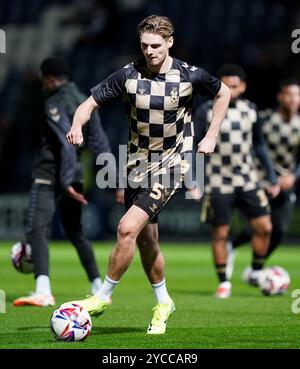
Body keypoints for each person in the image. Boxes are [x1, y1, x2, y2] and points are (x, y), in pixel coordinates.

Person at [64, 15, 231, 334]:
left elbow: (223, 93)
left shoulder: (189, 74)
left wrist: (210, 135)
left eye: (156, 45)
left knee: (126, 229)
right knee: (146, 241)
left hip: (174, 164)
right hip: (136, 166)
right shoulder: (127, 75)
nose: (150, 51)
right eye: (144, 46)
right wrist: (76, 126)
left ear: (170, 42)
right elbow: (88, 104)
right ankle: (164, 302)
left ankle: (102, 298)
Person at [13, 57, 114, 307]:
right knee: (76, 231)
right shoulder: (85, 101)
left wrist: (66, 180)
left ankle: (43, 289)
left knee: (37, 228)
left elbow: (64, 142)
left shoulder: (53, 102)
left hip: (50, 174)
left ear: (47, 79)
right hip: (76, 174)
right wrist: (117, 182)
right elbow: (100, 142)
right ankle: (98, 288)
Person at [197, 64, 279, 299]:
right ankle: (224, 282)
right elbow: (193, 146)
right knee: (220, 234)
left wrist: (271, 177)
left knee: (265, 227)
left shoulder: (251, 110)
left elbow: (260, 146)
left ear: (243, 86)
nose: (230, 90)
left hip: (248, 180)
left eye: (234, 86)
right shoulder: (205, 111)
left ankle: (255, 270)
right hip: (217, 182)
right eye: (225, 85)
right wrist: (193, 180)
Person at [230, 79, 300, 276]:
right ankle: (233, 248)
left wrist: (293, 177)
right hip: (261, 180)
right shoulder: (265, 119)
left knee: (280, 230)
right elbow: (252, 147)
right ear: (280, 97)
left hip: (287, 184)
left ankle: (255, 268)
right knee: (260, 225)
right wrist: (267, 176)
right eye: (289, 94)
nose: (293, 99)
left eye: (297, 95)